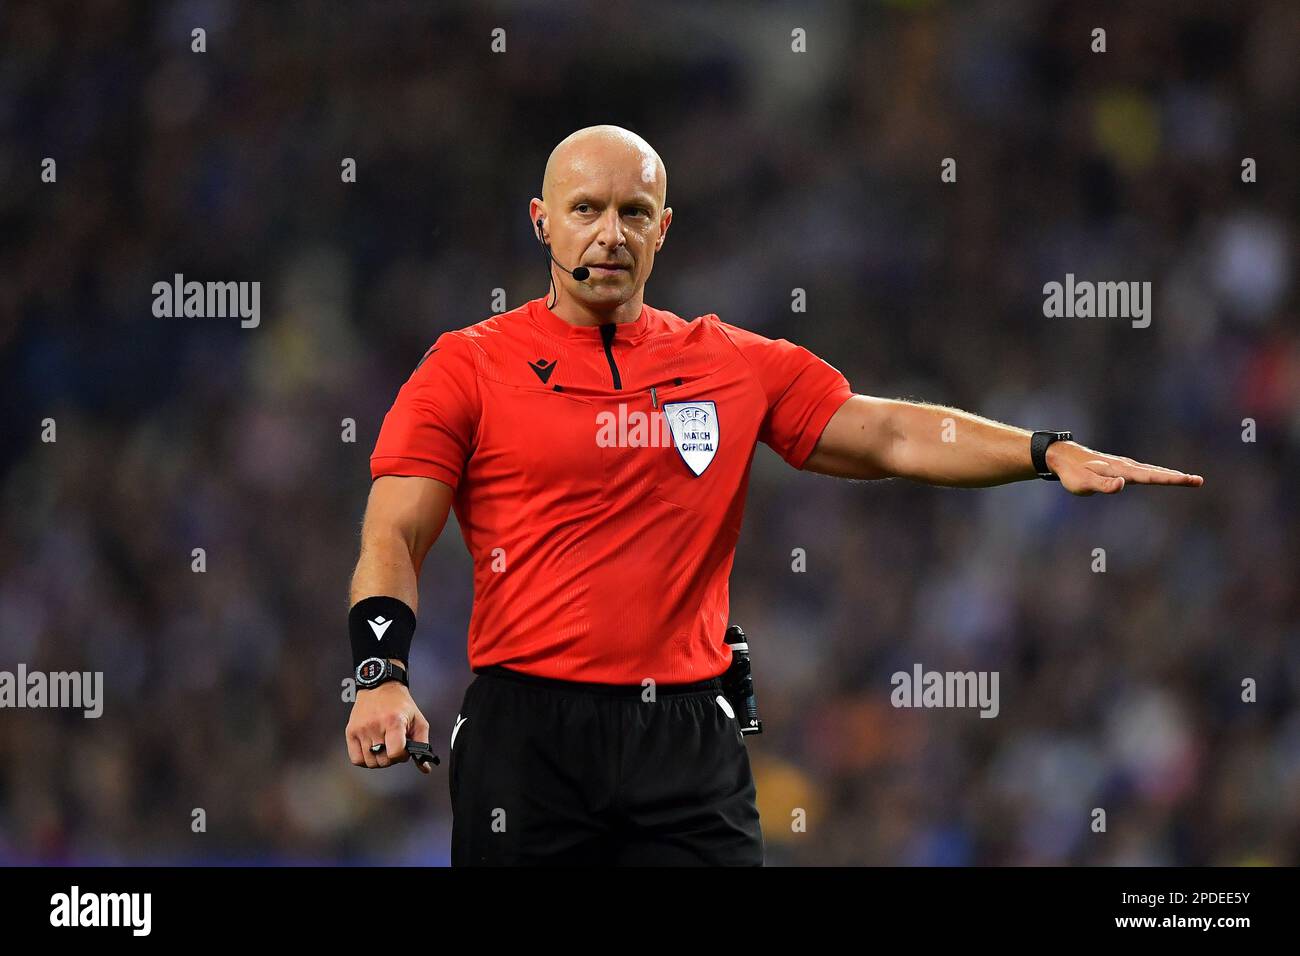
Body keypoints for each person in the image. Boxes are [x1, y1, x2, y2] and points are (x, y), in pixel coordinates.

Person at [344, 125, 1203, 866]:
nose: (610, 234)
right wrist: (381, 672)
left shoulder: (728, 363)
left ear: (664, 229)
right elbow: (394, 535)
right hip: (527, 734)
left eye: (634, 212)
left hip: (686, 739)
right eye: (585, 210)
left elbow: (891, 433)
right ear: (542, 222)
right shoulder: (468, 365)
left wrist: (1042, 451)